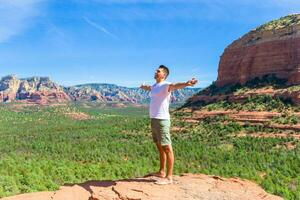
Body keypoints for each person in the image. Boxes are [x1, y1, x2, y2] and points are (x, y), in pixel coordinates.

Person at [140, 65, 198, 185]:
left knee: (167, 147)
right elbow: (149, 88)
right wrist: (143, 86)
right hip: (154, 119)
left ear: (164, 75)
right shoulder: (155, 86)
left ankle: (169, 177)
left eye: (158, 71)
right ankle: (161, 172)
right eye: (156, 70)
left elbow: (176, 85)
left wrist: (187, 83)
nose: (155, 71)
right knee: (159, 147)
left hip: (162, 120)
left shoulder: (167, 85)